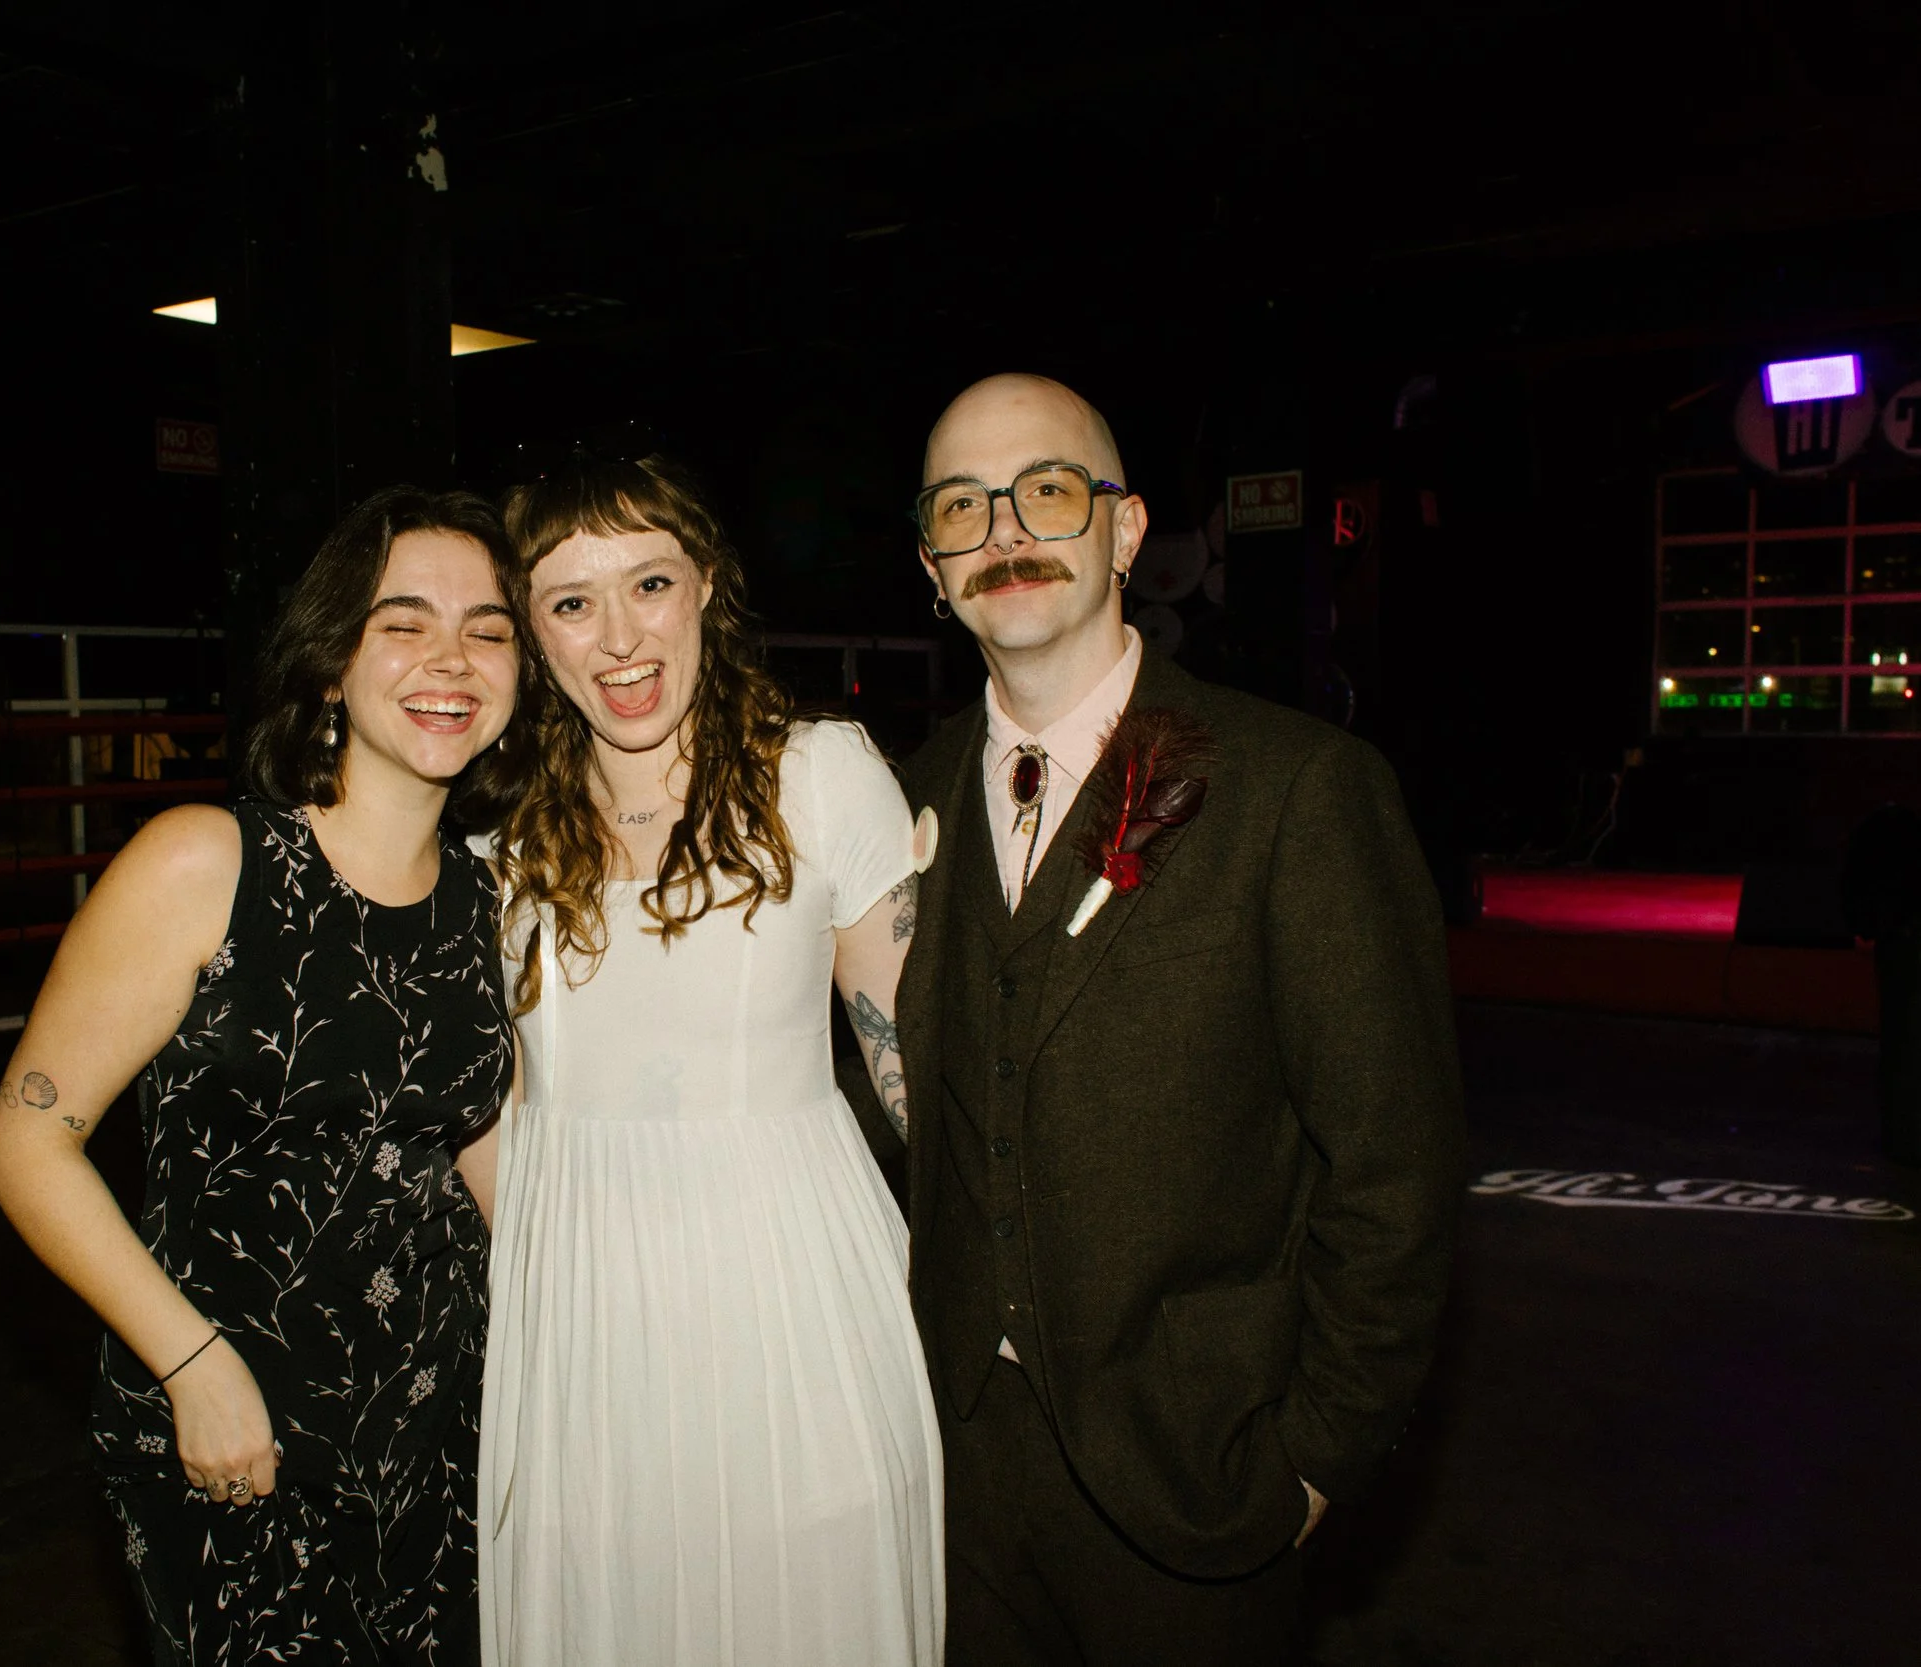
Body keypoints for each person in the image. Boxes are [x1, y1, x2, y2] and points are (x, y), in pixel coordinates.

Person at [894, 373, 1465, 1664]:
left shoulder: (1298, 790)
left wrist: (1315, 1455)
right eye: (962, 508)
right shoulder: (895, 801)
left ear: (1127, 528)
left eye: (1046, 490)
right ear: (929, 563)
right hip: (952, 1476)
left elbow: (1395, 1165)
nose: (1006, 533)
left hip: (1196, 1476)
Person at [0, 486, 527, 1666]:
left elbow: (495, 1166)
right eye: (404, 621)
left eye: (488, 628)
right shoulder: (205, 860)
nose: (452, 658)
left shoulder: (489, 897)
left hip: (445, 1432)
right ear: (331, 660)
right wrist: (188, 1363)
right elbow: (29, 1140)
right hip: (233, 1430)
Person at [477, 453, 943, 1667]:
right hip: (576, 1329)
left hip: (793, 1302)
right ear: (529, 631)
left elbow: (920, 1074)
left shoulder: (820, 770)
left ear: (707, 589)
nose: (619, 637)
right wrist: (545, 1260)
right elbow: (495, 1102)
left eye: (649, 582)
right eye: (571, 602)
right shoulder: (503, 830)